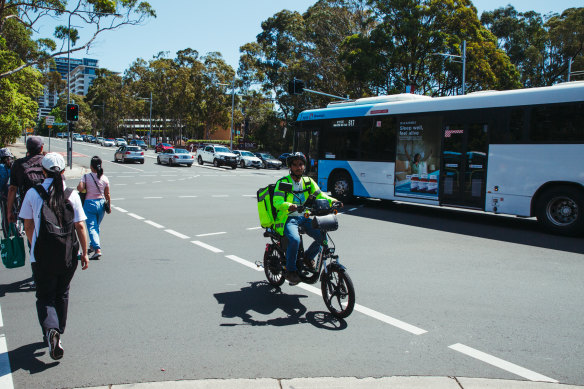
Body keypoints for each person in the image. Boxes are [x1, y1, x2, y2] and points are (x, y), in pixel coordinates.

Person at [19, 152, 89, 360]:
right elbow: (80, 225)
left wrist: (35, 246)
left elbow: (28, 225)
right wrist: (84, 253)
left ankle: (51, 330)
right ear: (64, 171)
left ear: (43, 171)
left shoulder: (33, 193)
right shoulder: (71, 194)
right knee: (62, 293)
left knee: (45, 296)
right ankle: (59, 330)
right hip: (68, 254)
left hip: (42, 256)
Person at [273, 152, 342, 285]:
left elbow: (320, 195)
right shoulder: (283, 182)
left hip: (304, 217)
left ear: (304, 166)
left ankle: (308, 257)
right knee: (294, 240)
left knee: (323, 238)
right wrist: (289, 205)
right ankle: (290, 270)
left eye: (301, 164)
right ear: (290, 167)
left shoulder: (308, 182)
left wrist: (333, 201)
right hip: (288, 218)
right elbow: (277, 201)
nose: (299, 167)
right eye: (295, 165)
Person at [77, 156, 110, 259]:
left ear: (91, 166)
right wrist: (109, 206)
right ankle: (92, 245)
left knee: (92, 227)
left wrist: (81, 185)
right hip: (101, 204)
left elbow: (80, 188)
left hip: (89, 203)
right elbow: (107, 194)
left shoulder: (86, 177)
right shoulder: (104, 178)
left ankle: (97, 249)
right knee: (96, 226)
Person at [7, 136, 45, 224]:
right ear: (42, 148)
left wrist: (9, 211)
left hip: (28, 206)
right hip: (47, 207)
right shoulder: (47, 161)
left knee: (31, 234)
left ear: (27, 147)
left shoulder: (18, 164)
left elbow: (12, 189)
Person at [0, 148, 14, 236]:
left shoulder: (1, 167)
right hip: (14, 195)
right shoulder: (13, 166)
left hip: (4, 196)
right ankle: (16, 232)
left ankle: (8, 236)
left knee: (5, 217)